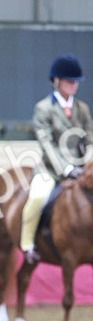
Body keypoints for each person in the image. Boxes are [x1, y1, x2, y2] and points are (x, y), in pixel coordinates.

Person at [21, 54, 93, 261]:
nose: (74, 85)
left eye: (76, 82)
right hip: (51, 169)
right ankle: (28, 245)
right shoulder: (43, 108)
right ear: (57, 81)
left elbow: (89, 139)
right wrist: (66, 169)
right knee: (37, 197)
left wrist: (88, 164)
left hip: (81, 169)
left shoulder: (82, 108)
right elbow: (47, 144)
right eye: (70, 81)